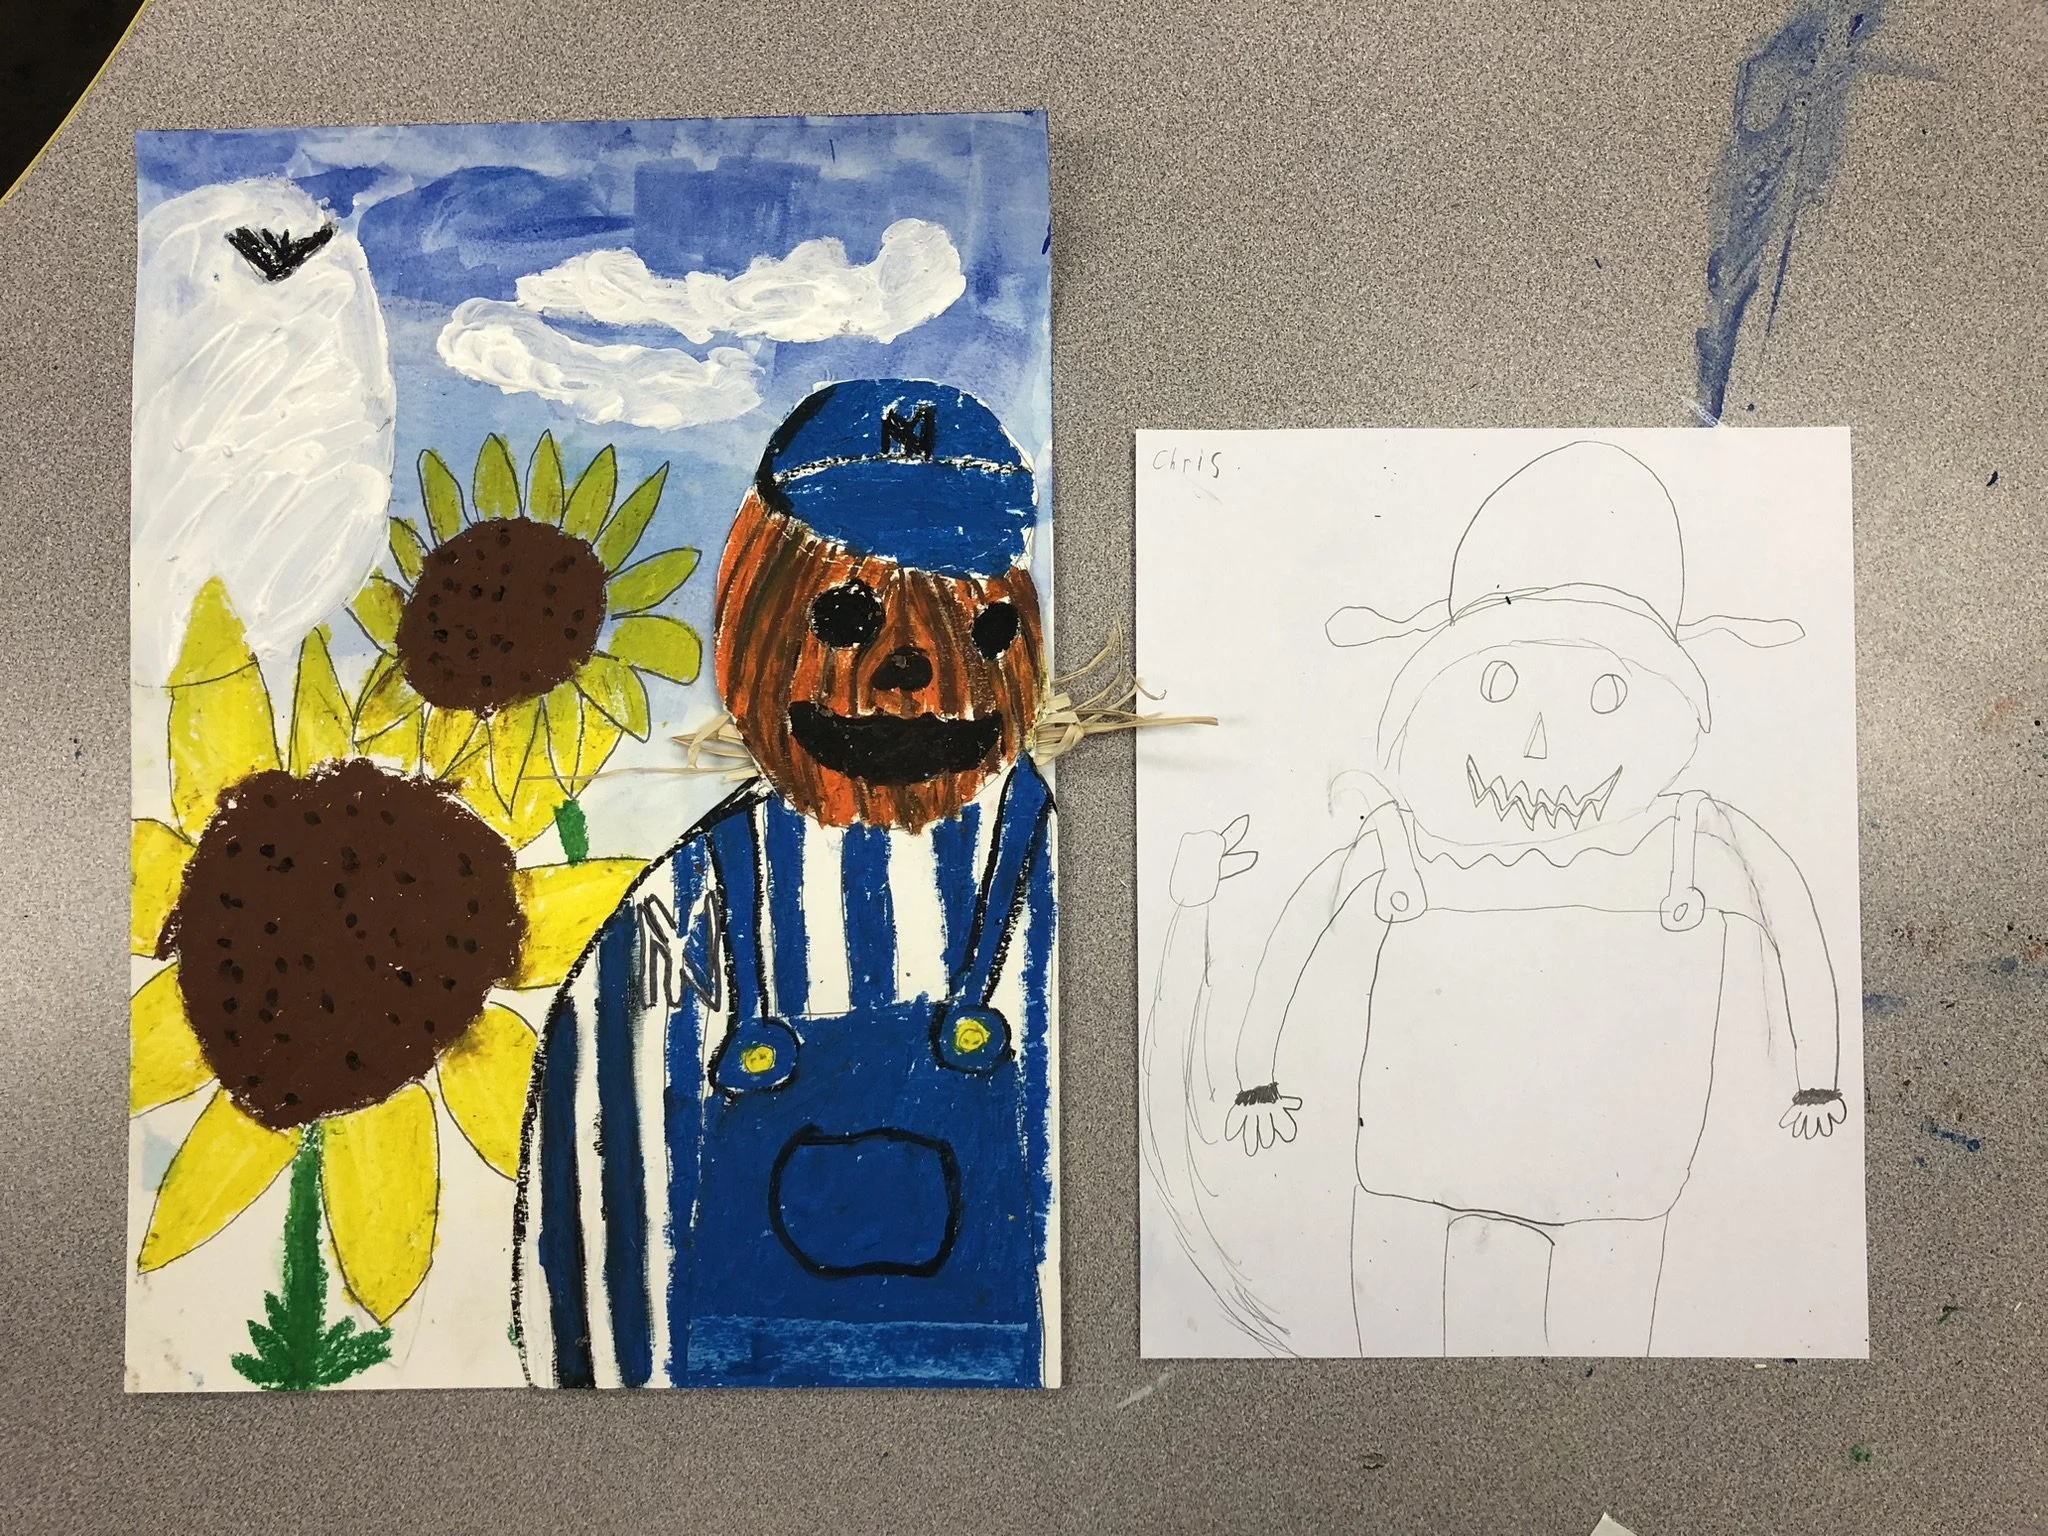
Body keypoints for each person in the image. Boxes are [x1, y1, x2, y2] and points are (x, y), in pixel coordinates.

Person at [1150, 440, 1845, 1355]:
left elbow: (1795, 922)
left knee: (1609, 1361)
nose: (1540, 739)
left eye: (1605, 691)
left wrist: (1818, 1074)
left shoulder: (1693, 841)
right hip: (1411, 1167)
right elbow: (1303, 927)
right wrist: (1257, 1076)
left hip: (1620, 1180)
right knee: (1389, 1349)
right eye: (1499, 683)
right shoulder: (1402, 842)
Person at [515, 380, 1058, 1388]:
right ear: (746, 620)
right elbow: (583, 1265)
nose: (914, 673)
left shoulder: (1079, 902)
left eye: (976, 630)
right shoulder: (671, 921)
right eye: (849, 618)